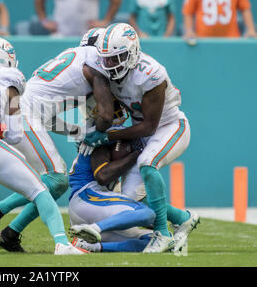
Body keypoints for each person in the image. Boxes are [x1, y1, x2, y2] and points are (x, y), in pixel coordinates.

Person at [0, 28, 115, 252]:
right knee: (57, 179)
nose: (110, 58)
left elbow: (48, 118)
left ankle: (11, 233)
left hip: (26, 110)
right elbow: (105, 113)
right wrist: (95, 132)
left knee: (54, 183)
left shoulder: (74, 61)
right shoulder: (93, 62)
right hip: (23, 112)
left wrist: (78, 131)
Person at [0, 37, 87, 255]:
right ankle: (62, 244)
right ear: (6, 59)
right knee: (39, 188)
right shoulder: (9, 77)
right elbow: (14, 133)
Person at [82, 23, 200, 253]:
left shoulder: (150, 73)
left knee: (148, 163)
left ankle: (162, 235)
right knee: (129, 205)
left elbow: (149, 126)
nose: (111, 65)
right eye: (107, 59)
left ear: (133, 52)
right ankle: (183, 218)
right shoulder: (101, 67)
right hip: (141, 131)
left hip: (169, 127)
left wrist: (107, 135)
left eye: (118, 58)